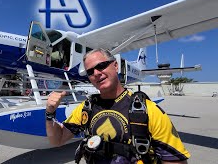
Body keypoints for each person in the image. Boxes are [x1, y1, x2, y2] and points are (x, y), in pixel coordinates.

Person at [45, 48, 190, 164]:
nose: (96, 73)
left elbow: (175, 161)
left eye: (101, 66)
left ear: (116, 65)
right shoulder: (86, 108)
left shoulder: (147, 110)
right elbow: (57, 139)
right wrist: (50, 113)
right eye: (90, 71)